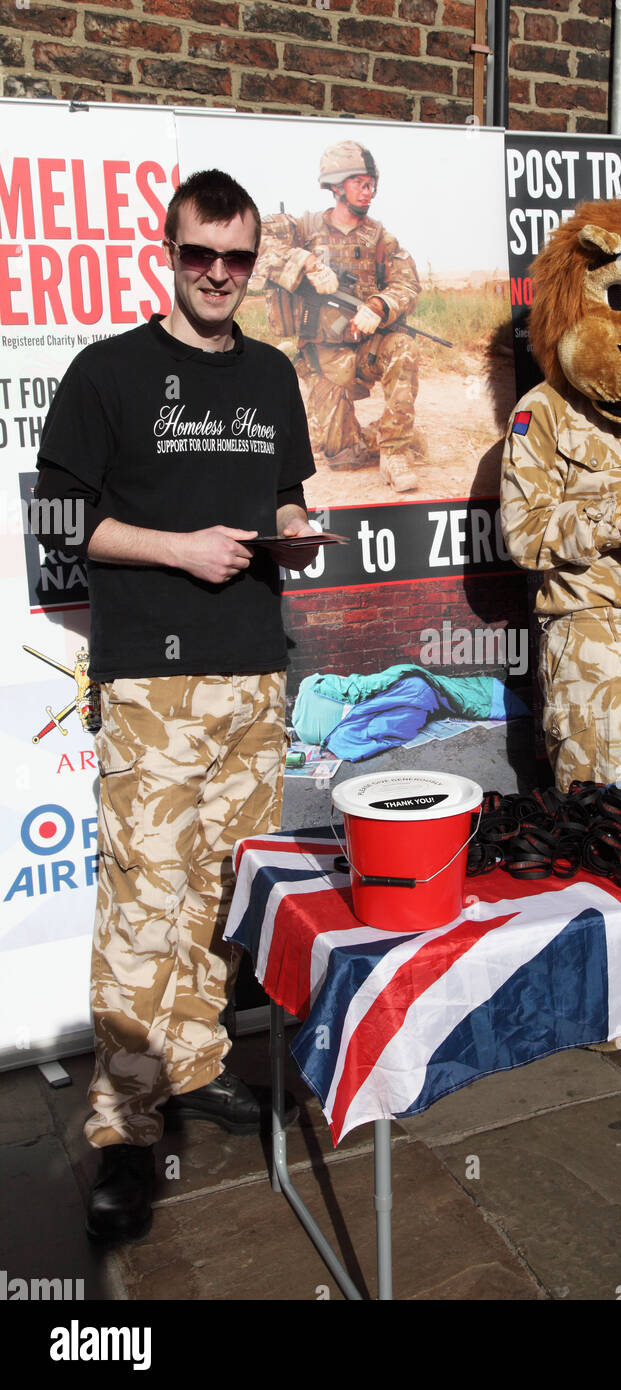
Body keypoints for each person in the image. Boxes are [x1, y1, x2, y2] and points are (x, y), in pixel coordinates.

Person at [32, 168, 324, 1243]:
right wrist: (177, 550)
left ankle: (195, 1070)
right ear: (169, 250)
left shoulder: (273, 376)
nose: (217, 274)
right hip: (153, 682)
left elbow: (287, 491)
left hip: (253, 667)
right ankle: (120, 1133)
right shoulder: (108, 372)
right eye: (200, 253)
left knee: (221, 889)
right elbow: (64, 518)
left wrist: (294, 527)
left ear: (252, 262)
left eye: (237, 258)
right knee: (140, 906)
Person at [256, 140, 423, 493]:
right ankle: (377, 435)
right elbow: (257, 238)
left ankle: (395, 451)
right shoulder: (304, 227)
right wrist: (308, 263)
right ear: (336, 186)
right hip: (322, 358)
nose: (369, 191)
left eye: (371, 183)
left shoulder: (380, 237)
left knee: (404, 347)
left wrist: (378, 306)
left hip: (365, 350)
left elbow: (407, 283)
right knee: (343, 455)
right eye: (361, 183)